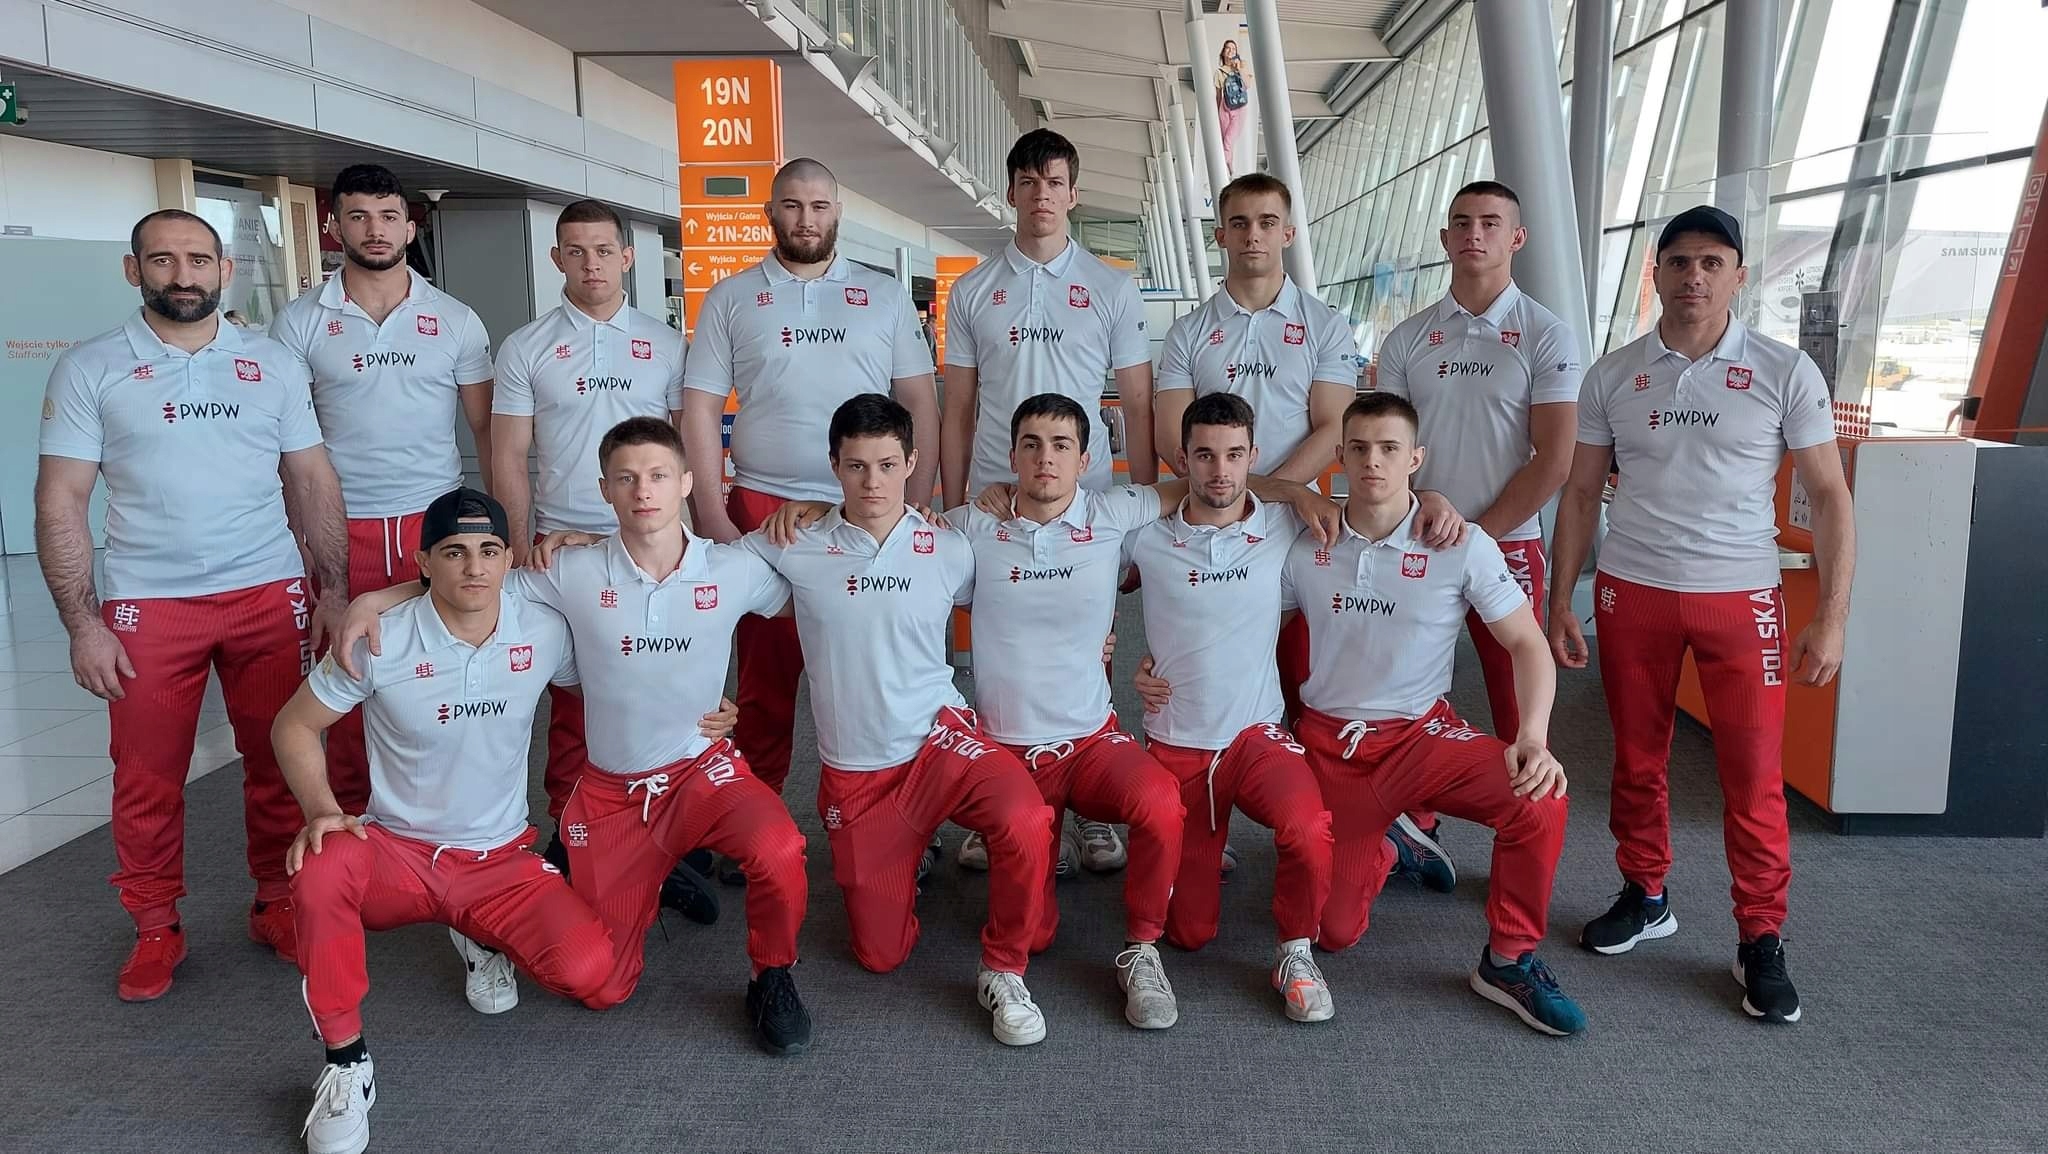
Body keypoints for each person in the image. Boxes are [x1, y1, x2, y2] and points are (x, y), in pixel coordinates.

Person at [335, 419, 813, 1056]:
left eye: (658, 476)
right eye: (627, 478)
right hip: (614, 795)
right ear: (605, 489)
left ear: (688, 482)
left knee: (780, 846)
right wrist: (377, 599)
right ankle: (654, 871)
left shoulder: (732, 567)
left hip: (701, 769)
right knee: (602, 988)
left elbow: (825, 584)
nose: (643, 491)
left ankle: (772, 975)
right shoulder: (570, 568)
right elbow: (473, 585)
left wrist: (823, 509)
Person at [1550, 205, 1855, 1025]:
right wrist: (1560, 598)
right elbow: (1580, 492)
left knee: (1751, 777)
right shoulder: (1613, 375)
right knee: (1636, 761)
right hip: (1632, 591)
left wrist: (1831, 616)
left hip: (1741, 597)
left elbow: (1829, 496)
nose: (1694, 277)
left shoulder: (1784, 370)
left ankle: (1761, 934)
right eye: (1679, 262)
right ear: (1656, 273)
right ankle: (1645, 893)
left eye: (1712, 263)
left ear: (1739, 276)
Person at [36, 209, 349, 1001]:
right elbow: (61, 500)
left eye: (199, 260)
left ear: (224, 270)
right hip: (149, 603)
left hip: (267, 592)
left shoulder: (272, 363)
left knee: (279, 758)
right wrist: (83, 624)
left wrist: (333, 590)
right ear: (132, 269)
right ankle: (154, 926)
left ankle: (278, 902)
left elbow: (311, 479)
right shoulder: (90, 368)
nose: (183, 275)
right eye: (163, 260)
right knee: (146, 777)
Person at [274, 487, 612, 1154]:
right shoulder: (379, 637)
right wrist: (322, 811)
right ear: (424, 561)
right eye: (454, 552)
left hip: (499, 862)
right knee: (322, 863)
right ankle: (346, 1063)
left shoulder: (543, 626)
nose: (475, 567)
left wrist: (706, 704)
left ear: (510, 558)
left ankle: (478, 934)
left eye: (489, 550)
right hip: (398, 855)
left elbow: (621, 653)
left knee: (590, 974)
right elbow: (293, 727)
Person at [745, 394, 1056, 1046]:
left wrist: (1102, 642)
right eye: (857, 466)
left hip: (939, 739)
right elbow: (692, 578)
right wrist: (582, 548)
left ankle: (1004, 969)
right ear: (834, 465)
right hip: (859, 773)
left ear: (912, 462)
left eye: (888, 465)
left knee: (1027, 818)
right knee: (880, 955)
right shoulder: (795, 544)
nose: (873, 483)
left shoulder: (949, 544)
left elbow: (1032, 587)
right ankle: (910, 852)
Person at [1283, 392, 1583, 1036]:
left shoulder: (1460, 544)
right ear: (1339, 458)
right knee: (1334, 934)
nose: (1373, 462)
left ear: (1415, 459)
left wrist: (1533, 736)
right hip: (1333, 746)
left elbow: (1528, 645)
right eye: (1359, 448)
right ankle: (1392, 842)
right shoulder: (1304, 544)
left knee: (1539, 796)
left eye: (1389, 449)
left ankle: (1508, 960)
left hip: (1422, 738)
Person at [680, 157, 940, 803]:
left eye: (819, 206)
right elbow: (701, 408)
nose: (806, 219)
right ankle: (756, 814)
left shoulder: (883, 296)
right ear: (770, 213)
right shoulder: (732, 296)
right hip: (762, 506)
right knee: (765, 682)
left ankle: (897, 810)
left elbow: (919, 401)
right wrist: (710, 513)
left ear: (837, 214)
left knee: (876, 672)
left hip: (866, 509)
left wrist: (915, 503)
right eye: (792, 206)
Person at [942, 127, 1157, 873]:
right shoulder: (973, 290)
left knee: (1087, 645)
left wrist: (1140, 517)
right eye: (1029, 182)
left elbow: (1138, 403)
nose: (1042, 195)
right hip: (996, 501)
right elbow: (958, 408)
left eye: (1054, 182)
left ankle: (1088, 808)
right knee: (996, 646)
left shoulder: (1111, 287)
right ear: (1011, 192)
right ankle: (996, 795)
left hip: (1087, 502)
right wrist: (954, 503)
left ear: (1074, 193)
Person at [485, 199, 704, 916]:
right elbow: (509, 455)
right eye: (575, 252)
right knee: (575, 706)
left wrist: (692, 540)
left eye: (604, 251)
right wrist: (521, 546)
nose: (591, 265)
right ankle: (574, 836)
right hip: (564, 547)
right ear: (556, 259)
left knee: (663, 691)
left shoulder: (665, 345)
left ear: (628, 257)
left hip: (650, 547)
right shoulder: (524, 347)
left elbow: (684, 453)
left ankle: (665, 838)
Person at [1372, 179, 1585, 894]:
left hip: (1506, 544)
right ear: (1444, 239)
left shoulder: (1547, 334)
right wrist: (1427, 514)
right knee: (1403, 692)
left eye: (1491, 223)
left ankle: (1520, 845)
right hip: (1414, 540)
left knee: (1518, 706)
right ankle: (1415, 827)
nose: (1475, 234)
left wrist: (1477, 538)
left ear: (1516, 238)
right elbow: (1386, 447)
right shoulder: (1406, 339)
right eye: (1461, 222)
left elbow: (1555, 459)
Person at [269, 164, 496, 825]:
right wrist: (303, 548)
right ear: (334, 226)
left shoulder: (454, 319)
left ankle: (450, 823)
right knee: (343, 681)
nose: (376, 230)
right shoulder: (299, 322)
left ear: (409, 227)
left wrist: (500, 530)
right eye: (359, 217)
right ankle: (349, 830)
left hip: (435, 527)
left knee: (444, 679)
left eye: (389, 216)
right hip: (343, 529)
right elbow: (287, 450)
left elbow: (488, 431)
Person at [1124, 393, 1338, 1023]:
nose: (1220, 470)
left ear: (1253, 456)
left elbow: (1378, 517)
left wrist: (1431, 502)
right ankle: (1181, 890)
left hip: (1255, 736)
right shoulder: (1145, 535)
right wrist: (1113, 663)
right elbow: (1073, 586)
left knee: (1308, 828)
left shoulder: (1282, 524)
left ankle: (1295, 952)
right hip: (1178, 742)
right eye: (1205, 455)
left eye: (1234, 455)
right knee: (1190, 933)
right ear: (1184, 457)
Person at [1155, 171, 1359, 732]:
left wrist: (1276, 496)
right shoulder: (1188, 332)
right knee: (1212, 677)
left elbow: (1334, 427)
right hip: (1210, 527)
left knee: (1305, 679)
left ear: (1288, 233)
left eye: (1268, 222)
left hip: (1297, 528)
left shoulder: (1325, 326)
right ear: (1220, 234)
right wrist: (1264, 492)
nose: (1253, 235)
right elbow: (1173, 439)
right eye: (1240, 223)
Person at [1215, 40, 1253, 175]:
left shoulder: (1242, 65)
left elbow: (1248, 85)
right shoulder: (1219, 72)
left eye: (1234, 49)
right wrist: (1216, 113)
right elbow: (1218, 95)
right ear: (1223, 52)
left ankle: (1220, 170)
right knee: (1225, 141)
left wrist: (1239, 69)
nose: (1231, 51)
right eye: (1228, 48)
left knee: (1228, 141)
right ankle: (1230, 170)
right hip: (1225, 108)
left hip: (1240, 108)